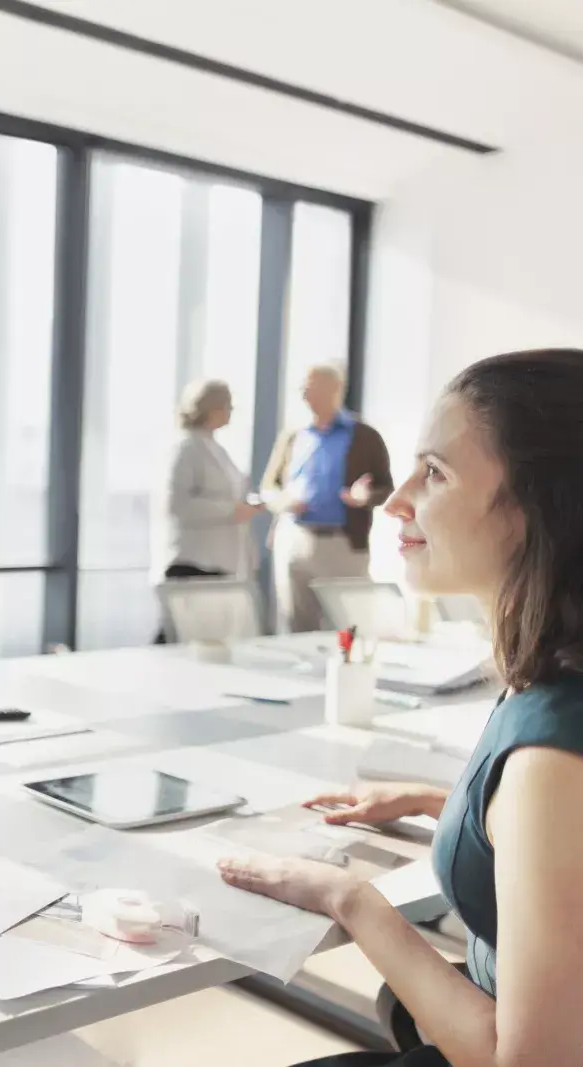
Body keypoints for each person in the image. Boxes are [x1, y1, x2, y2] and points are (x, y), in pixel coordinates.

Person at [218, 349, 583, 1065]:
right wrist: (448, 801)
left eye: (435, 473)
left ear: (535, 509)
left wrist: (350, 898)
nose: (396, 499)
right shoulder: (548, 692)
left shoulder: (552, 755)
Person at [261, 364, 394, 632]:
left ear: (336, 390)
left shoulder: (365, 436)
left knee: (348, 626)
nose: (304, 393)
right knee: (296, 625)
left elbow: (385, 488)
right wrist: (283, 501)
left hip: (342, 544)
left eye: (312, 386)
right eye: (303, 387)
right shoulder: (293, 436)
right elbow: (268, 487)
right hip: (294, 540)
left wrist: (365, 496)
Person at [151, 379, 262, 643]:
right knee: (184, 636)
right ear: (211, 408)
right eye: (227, 406)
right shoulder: (184, 448)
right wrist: (231, 510)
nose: (231, 412)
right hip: (192, 562)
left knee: (204, 636)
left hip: (218, 560)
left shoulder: (214, 447)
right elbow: (177, 505)